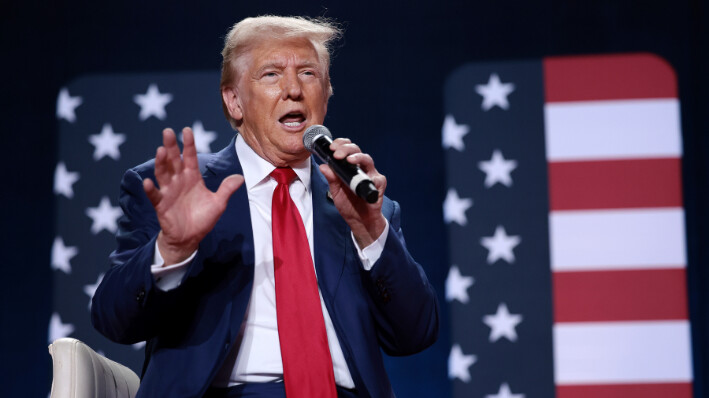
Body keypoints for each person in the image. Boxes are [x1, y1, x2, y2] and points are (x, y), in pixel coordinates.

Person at [91, 15, 439, 398]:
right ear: (234, 101)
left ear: (326, 94)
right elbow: (114, 321)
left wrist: (371, 233)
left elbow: (415, 334)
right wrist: (172, 249)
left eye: (308, 74)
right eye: (271, 75)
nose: (293, 90)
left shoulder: (366, 206)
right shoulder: (179, 191)